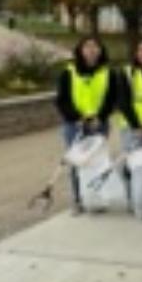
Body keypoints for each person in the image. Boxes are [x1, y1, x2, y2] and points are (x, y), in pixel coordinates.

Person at [55, 37, 117, 214]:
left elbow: (112, 99)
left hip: (99, 124)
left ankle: (96, 199)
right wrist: (76, 117)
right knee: (77, 163)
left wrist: (101, 117)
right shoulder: (68, 72)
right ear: (80, 50)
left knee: (98, 163)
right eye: (87, 46)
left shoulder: (109, 73)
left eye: (95, 46)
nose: (91, 50)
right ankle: (78, 200)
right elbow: (61, 100)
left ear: (100, 50)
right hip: (74, 125)